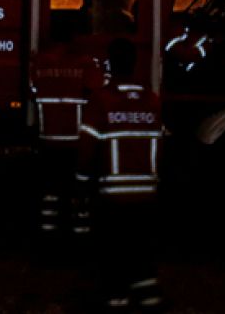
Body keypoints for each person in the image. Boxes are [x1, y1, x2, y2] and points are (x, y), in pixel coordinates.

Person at [76, 37, 164, 310]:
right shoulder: (152, 101)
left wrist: (81, 185)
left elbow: (86, 150)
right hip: (147, 196)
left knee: (112, 255)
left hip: (113, 199)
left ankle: (117, 300)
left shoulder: (101, 101)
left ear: (110, 65)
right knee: (142, 253)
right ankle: (150, 299)